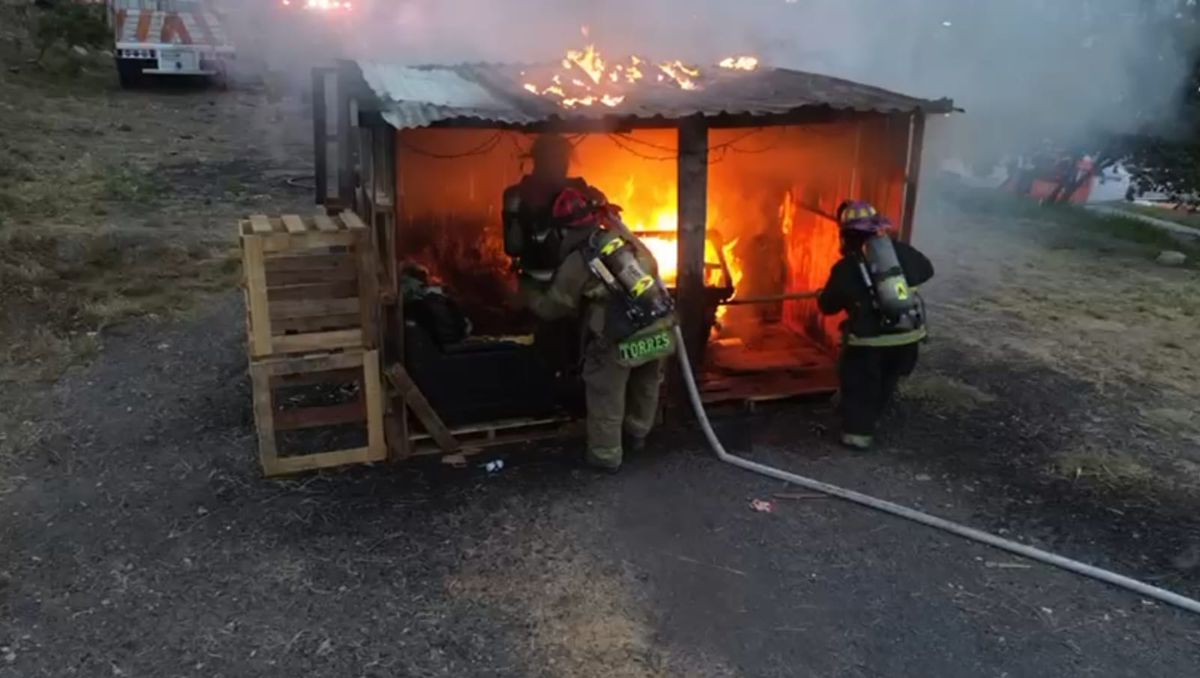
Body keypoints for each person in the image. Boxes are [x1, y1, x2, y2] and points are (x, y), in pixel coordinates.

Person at [507, 175, 673, 472]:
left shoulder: (578, 260)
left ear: (565, 229)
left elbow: (553, 307)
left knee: (605, 393)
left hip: (619, 337)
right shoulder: (623, 240)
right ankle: (637, 436)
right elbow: (652, 267)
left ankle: (606, 457)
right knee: (646, 385)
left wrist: (528, 292)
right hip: (660, 325)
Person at [818, 200, 934, 450]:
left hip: (868, 345)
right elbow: (927, 270)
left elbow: (827, 306)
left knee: (860, 385)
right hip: (907, 340)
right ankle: (874, 418)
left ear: (846, 235)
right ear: (878, 228)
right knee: (887, 380)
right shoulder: (902, 252)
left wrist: (833, 294)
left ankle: (856, 436)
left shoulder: (847, 267)